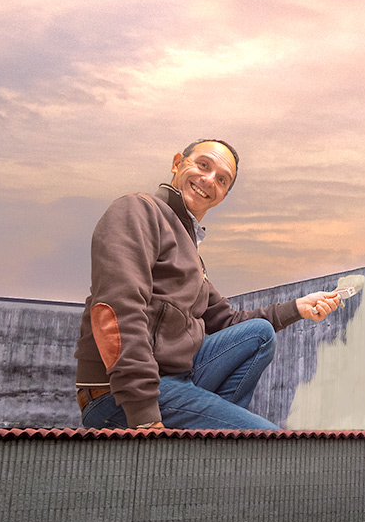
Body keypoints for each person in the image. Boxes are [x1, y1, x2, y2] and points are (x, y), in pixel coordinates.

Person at [73, 138, 341, 430]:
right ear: (177, 163)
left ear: (223, 194)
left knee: (259, 334)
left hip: (176, 382)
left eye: (222, 179)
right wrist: (144, 415)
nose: (209, 179)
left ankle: (211, 450)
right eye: (203, 165)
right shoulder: (138, 211)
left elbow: (228, 322)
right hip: (117, 395)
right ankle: (218, 447)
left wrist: (297, 308)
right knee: (270, 443)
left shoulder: (191, 256)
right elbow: (115, 310)